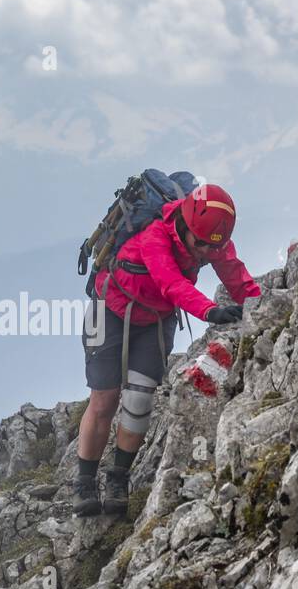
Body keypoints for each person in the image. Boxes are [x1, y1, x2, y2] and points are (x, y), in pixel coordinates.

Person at [74, 182, 260, 516]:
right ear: (187, 225)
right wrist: (209, 311)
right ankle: (84, 482)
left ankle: (118, 479)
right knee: (105, 398)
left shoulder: (211, 240)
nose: (205, 251)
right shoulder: (155, 235)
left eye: (211, 246)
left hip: (156, 319)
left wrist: (267, 304)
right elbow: (170, 283)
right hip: (109, 310)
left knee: (140, 397)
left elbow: (237, 278)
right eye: (199, 244)